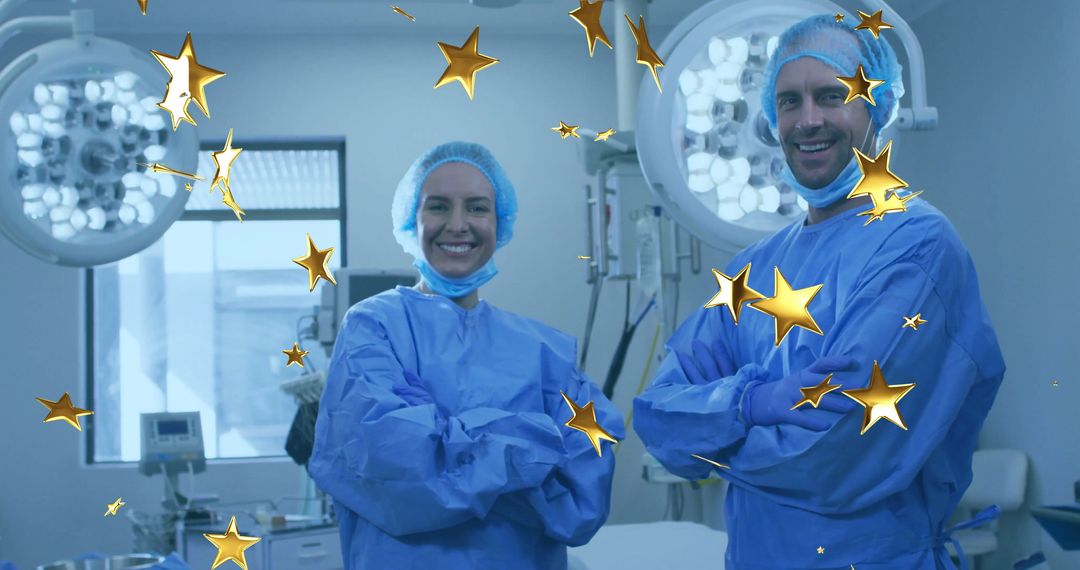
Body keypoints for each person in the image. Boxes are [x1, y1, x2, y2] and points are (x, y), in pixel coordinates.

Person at [633, 15, 1005, 569]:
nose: (808, 121)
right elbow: (658, 417)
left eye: (832, 96)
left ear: (875, 107)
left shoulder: (916, 246)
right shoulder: (753, 268)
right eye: (788, 101)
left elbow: (836, 454)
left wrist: (715, 430)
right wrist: (752, 402)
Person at [309, 141, 623, 570]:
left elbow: (584, 493)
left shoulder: (543, 350)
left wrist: (445, 432)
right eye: (438, 207)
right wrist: (536, 441)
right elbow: (397, 473)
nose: (458, 225)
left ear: (501, 221)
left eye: (477, 208)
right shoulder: (373, 327)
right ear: (411, 220)